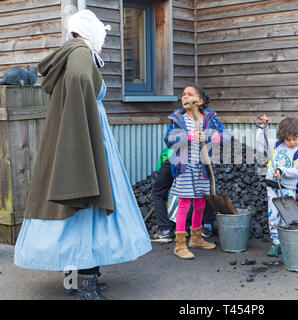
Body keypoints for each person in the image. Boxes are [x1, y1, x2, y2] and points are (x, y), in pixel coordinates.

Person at [13, 10, 151, 300]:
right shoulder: (79, 54)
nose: (102, 40)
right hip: (84, 137)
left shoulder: (69, 52)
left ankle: (73, 281)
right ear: (90, 32)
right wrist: (84, 129)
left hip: (78, 134)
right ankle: (84, 286)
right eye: (100, 33)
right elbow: (79, 81)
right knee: (87, 206)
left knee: (76, 212)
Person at [164, 85, 229, 259]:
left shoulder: (209, 118)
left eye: (190, 94)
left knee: (200, 203)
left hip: (202, 167)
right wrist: (188, 136)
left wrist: (215, 136)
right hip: (184, 167)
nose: (185, 97)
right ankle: (179, 245)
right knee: (184, 204)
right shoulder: (178, 119)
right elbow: (169, 140)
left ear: (199, 101)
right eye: (183, 94)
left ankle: (196, 238)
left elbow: (226, 136)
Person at [256, 115, 298, 257]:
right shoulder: (277, 144)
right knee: (273, 214)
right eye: (288, 139)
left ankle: (287, 242)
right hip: (272, 185)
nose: (291, 142)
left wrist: (282, 171)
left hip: (287, 188)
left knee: (287, 215)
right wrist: (263, 126)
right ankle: (276, 242)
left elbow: (297, 171)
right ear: (283, 136)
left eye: (295, 139)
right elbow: (261, 140)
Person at [150, 147, 216, 243]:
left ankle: (166, 232)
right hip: (201, 160)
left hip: (178, 158)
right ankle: (206, 227)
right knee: (203, 191)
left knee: (159, 193)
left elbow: (172, 139)